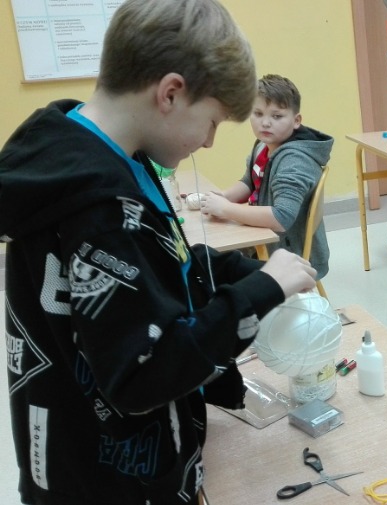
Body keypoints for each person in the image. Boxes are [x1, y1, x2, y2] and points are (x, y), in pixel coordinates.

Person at [0, 1, 318, 503]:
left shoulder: (105, 153)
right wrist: (259, 292)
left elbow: (161, 261)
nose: (209, 142)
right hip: (108, 480)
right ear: (170, 93)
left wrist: (246, 271)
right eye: (212, 121)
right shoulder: (98, 205)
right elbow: (145, 374)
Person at [202, 74, 334, 278]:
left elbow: (281, 218)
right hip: (268, 241)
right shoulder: (265, 145)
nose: (265, 123)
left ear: (296, 121)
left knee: (209, 265)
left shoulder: (294, 160)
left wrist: (226, 209)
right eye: (258, 113)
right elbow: (249, 182)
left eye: (277, 116)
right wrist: (224, 197)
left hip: (292, 257)